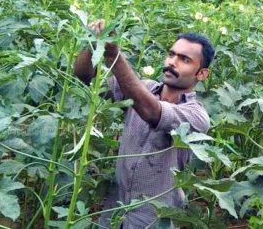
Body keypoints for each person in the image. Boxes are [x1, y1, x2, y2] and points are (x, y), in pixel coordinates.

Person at [73, 19, 215, 228]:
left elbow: (151, 111)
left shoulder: (196, 115)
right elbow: (85, 77)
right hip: (115, 208)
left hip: (154, 218)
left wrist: (114, 55)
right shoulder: (144, 87)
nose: (172, 62)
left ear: (201, 74)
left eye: (184, 59)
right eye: (171, 54)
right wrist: (94, 42)